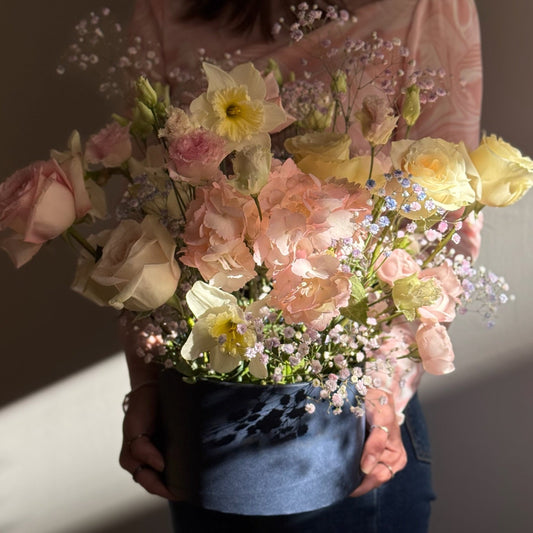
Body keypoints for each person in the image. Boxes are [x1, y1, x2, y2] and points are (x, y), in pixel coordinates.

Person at [119, 0, 482, 531]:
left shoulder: (427, 7)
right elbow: (146, 223)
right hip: (203, 410)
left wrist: (381, 392)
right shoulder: (163, 11)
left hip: (358, 426)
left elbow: (452, 218)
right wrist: (147, 385)